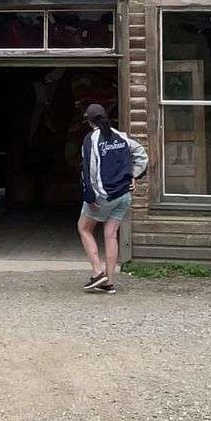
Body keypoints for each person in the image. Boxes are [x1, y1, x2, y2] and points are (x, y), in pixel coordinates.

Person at [78, 103, 148, 294]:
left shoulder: (91, 139)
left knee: (84, 228)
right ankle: (109, 283)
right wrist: (134, 174)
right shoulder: (121, 136)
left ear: (89, 121)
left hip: (104, 196)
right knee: (110, 234)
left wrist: (91, 195)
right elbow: (142, 154)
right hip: (124, 195)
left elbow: (89, 170)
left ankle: (97, 272)